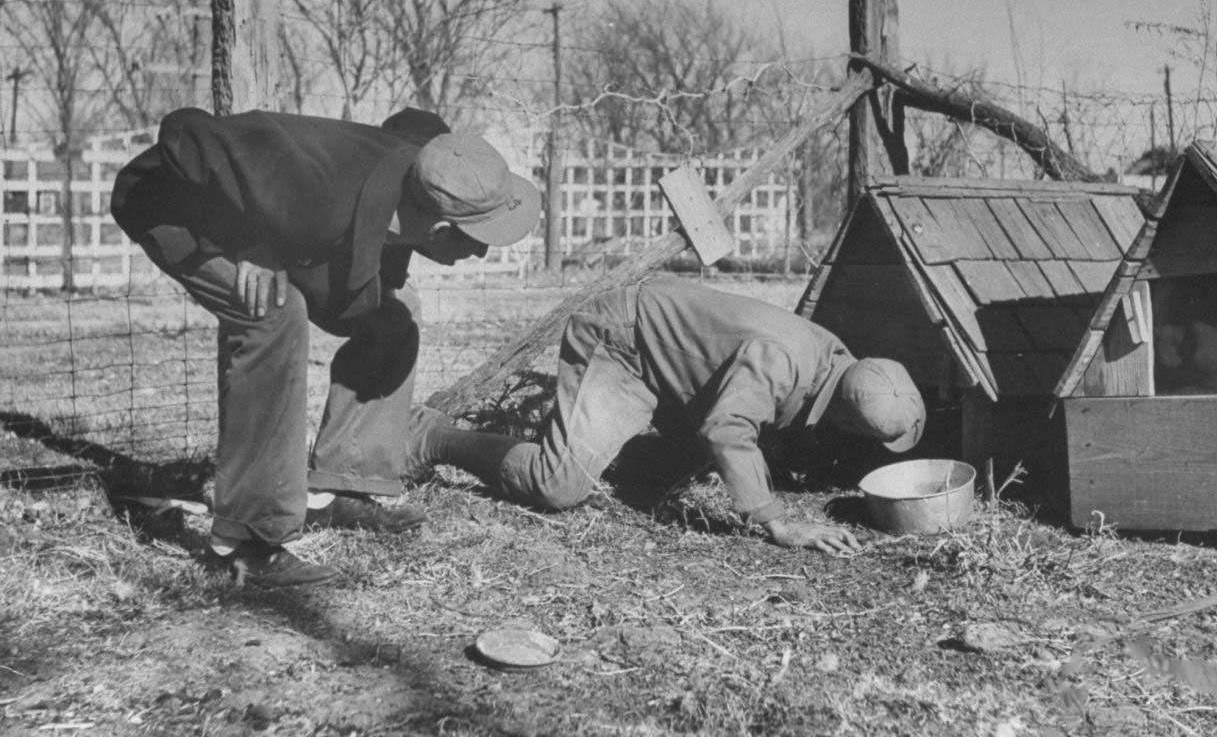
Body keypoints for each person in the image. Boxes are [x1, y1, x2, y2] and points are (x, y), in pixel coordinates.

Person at [111, 106, 540, 587]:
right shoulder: (318, 193)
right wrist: (251, 243)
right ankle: (246, 542)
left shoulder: (424, 169)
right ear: (437, 229)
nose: (479, 253)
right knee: (274, 314)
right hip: (177, 206)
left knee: (395, 316)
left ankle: (337, 485)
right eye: (476, 241)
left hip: (291, 226)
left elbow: (411, 124)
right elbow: (186, 132)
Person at [416, 276, 926, 554]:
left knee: (667, 472)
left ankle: (632, 468)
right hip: (624, 342)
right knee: (558, 484)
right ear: (844, 414)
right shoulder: (783, 364)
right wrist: (776, 522)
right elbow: (727, 429)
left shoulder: (835, 360)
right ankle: (435, 438)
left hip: (670, 355)